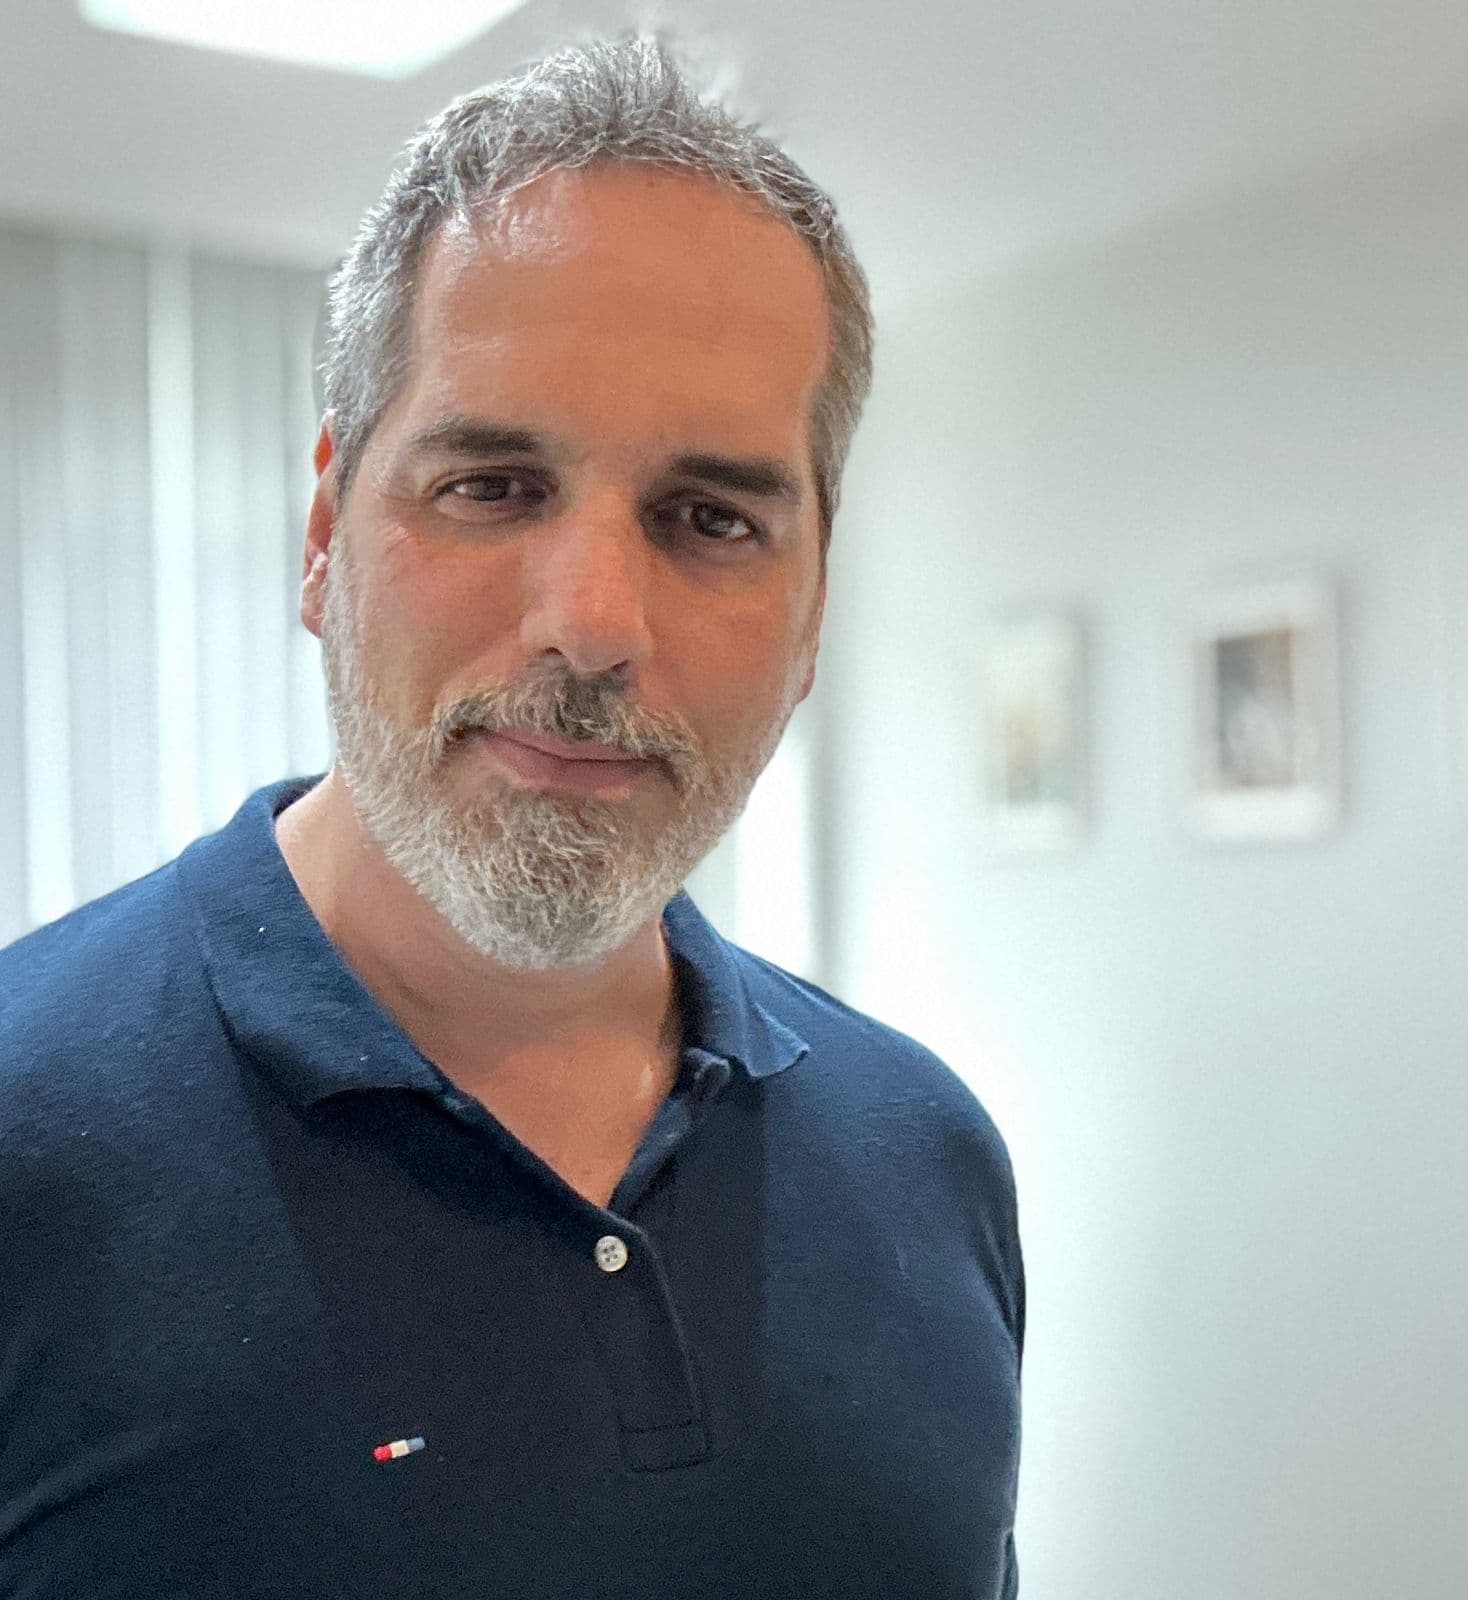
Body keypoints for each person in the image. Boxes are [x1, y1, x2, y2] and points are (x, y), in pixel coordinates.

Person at [0, 36, 1023, 1599]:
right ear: (326, 535)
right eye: (491, 485)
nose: (593, 624)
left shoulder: (929, 1159)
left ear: (814, 608)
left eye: (710, 518)